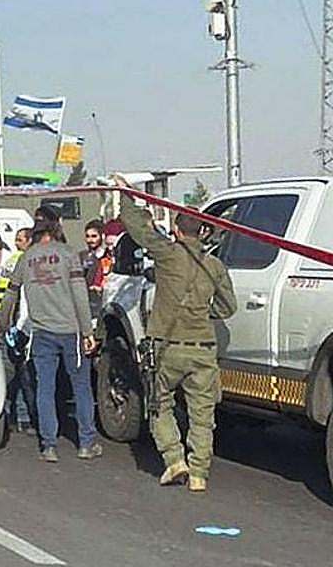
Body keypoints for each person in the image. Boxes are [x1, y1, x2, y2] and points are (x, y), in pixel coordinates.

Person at [113, 176, 237, 493]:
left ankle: (174, 459)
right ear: (203, 232)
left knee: (160, 405)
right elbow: (227, 307)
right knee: (202, 415)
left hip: (167, 348)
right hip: (203, 348)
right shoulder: (215, 265)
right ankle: (199, 473)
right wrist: (201, 313)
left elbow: (139, 229)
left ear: (178, 231)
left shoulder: (167, 255)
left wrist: (127, 195)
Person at [0, 222, 101, 462]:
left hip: (41, 332)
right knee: (81, 387)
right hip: (71, 330)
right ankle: (86, 443)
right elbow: (79, 294)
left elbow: (10, 292)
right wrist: (88, 331)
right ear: (55, 234)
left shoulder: (27, 257)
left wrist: (3, 323)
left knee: (45, 387)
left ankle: (48, 445)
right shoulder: (68, 254)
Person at [0, 227, 36, 432]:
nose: (17, 243)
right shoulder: (19, 260)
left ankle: (14, 415)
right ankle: (22, 417)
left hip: (14, 324)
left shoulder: (19, 259)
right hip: (16, 325)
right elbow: (7, 293)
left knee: (15, 375)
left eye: (20, 240)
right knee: (20, 375)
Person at [80, 219, 108, 322]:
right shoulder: (82, 256)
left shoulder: (108, 256)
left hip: (104, 298)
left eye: (94, 236)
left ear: (101, 236)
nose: (90, 240)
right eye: (87, 236)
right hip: (87, 300)